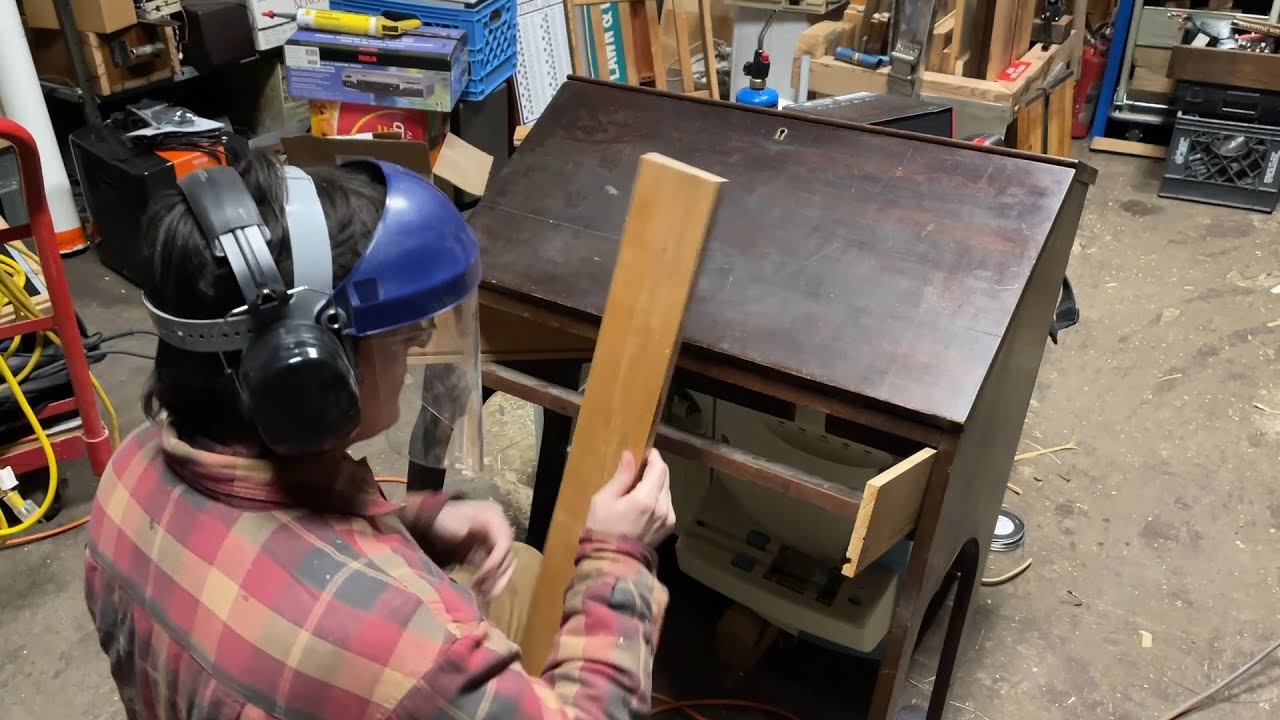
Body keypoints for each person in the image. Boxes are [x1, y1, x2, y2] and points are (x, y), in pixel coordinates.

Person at [83, 151, 676, 719]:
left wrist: (417, 521)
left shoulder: (128, 475)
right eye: (405, 337)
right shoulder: (406, 649)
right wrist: (618, 554)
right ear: (308, 369)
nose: (419, 341)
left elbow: (280, 529)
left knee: (516, 569)